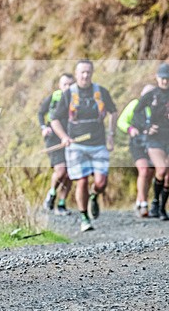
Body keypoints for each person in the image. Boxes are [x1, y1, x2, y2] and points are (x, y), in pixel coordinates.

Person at [50, 60, 117, 232]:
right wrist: (64, 137)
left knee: (101, 182)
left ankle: (94, 195)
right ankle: (84, 217)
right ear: (77, 73)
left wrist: (111, 135)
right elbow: (55, 119)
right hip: (76, 146)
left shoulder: (101, 92)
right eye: (82, 72)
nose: (85, 75)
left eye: (88, 72)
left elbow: (113, 112)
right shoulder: (68, 94)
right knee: (82, 181)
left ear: (92, 73)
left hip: (99, 144)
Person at [132, 63, 169, 220]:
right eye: (162, 78)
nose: (165, 81)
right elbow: (136, 112)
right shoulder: (151, 94)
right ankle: (154, 201)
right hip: (155, 138)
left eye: (168, 78)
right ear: (157, 78)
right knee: (161, 169)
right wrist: (146, 126)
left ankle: (161, 208)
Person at [38, 73, 75, 215]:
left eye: (70, 84)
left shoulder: (77, 99)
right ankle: (52, 194)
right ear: (60, 85)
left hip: (72, 138)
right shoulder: (54, 97)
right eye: (65, 84)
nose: (68, 87)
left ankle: (62, 203)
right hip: (54, 138)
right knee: (61, 171)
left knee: (70, 174)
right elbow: (41, 113)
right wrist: (43, 127)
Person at [117, 84, 156, 217]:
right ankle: (144, 204)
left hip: (152, 144)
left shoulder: (157, 107)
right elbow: (121, 121)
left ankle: (140, 200)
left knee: (150, 173)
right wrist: (130, 129)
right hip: (137, 144)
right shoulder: (134, 105)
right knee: (144, 170)